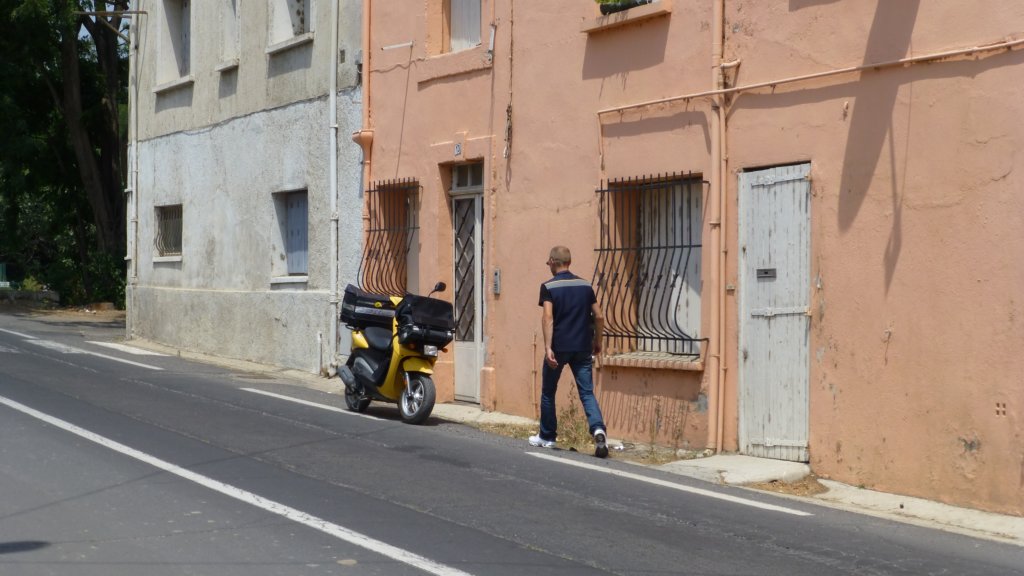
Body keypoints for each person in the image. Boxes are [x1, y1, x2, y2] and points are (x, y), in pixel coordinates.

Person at [529, 245, 609, 458]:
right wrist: (597, 341)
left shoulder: (548, 287)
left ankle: (547, 436)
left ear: (554, 262)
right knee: (586, 392)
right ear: (569, 262)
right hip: (583, 346)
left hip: (559, 346)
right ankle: (598, 430)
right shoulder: (585, 285)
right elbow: (599, 316)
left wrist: (548, 347)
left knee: (548, 391)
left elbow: (548, 317)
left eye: (548, 262)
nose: (548, 266)